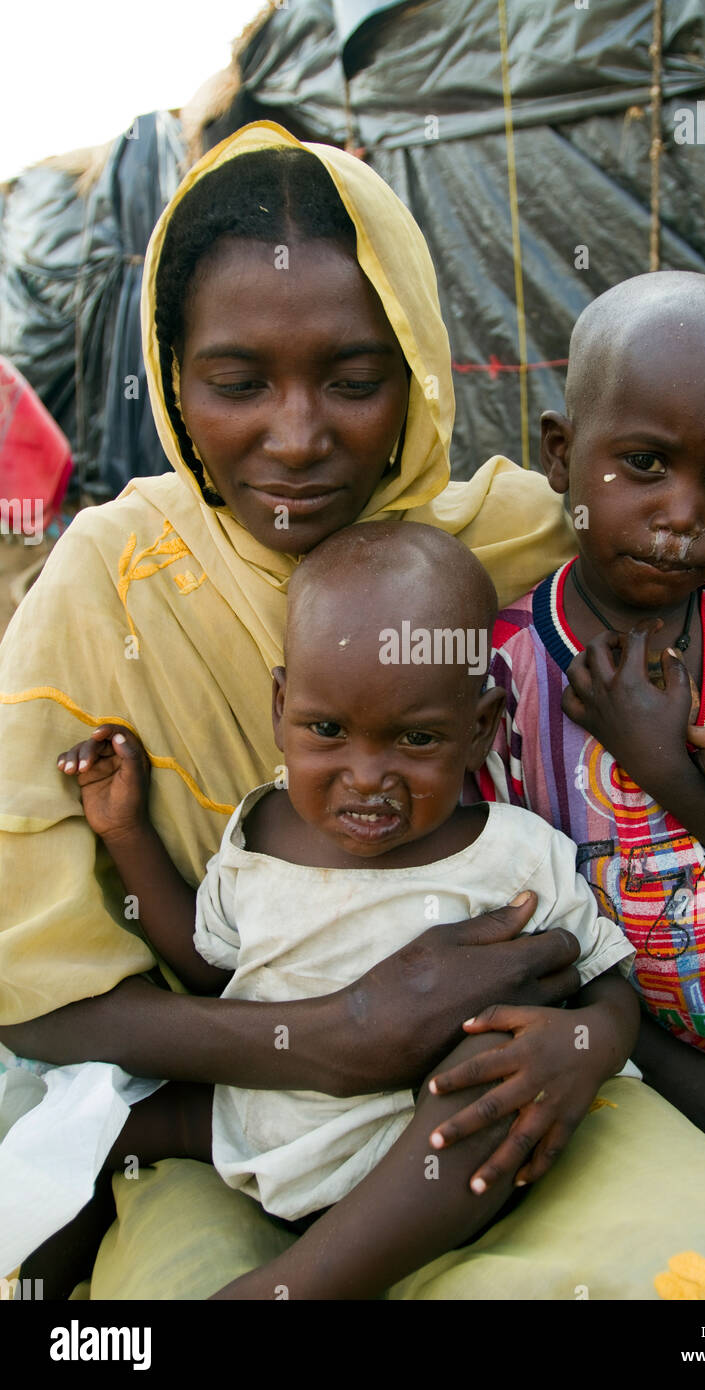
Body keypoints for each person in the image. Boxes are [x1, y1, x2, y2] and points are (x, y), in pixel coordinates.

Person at [0, 123, 705, 1300]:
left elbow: (685, 561)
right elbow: (38, 1005)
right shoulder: (102, 589)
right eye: (237, 381)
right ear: (171, 376)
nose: (296, 439)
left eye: (354, 380)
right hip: (229, 1108)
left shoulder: (501, 540)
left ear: (415, 365)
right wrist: (330, 1032)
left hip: (508, 1088)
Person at [28, 522, 636, 1300]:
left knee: (488, 1079)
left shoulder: (513, 855)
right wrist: (126, 832)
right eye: (327, 731)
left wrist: (588, 1041)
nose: (366, 779)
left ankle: (309, 1283)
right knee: (75, 1133)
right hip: (248, 1121)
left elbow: (606, 974)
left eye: (416, 739)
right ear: (282, 706)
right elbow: (205, 963)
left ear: (479, 728)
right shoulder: (262, 830)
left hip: (411, 1166)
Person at [477, 272, 705, 1277]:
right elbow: (507, 919)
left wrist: (663, 768)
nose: (682, 513)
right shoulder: (507, 670)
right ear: (562, 455)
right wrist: (654, 1057)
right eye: (641, 463)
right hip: (601, 1073)